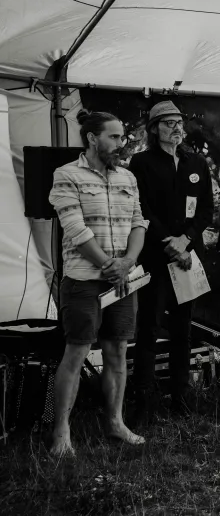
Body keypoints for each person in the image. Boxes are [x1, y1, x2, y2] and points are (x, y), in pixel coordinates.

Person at [48, 110, 148, 456]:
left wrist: (128, 263)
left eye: (123, 137)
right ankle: (61, 431)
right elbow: (76, 230)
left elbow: (139, 223)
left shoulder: (128, 178)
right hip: (84, 282)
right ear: (92, 138)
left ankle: (116, 423)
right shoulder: (66, 175)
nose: (122, 143)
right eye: (115, 137)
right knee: (76, 352)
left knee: (117, 351)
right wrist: (109, 265)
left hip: (122, 281)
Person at [128, 101, 214, 423]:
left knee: (183, 329)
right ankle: (142, 403)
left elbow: (206, 208)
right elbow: (142, 208)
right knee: (148, 328)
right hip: (155, 256)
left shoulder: (197, 163)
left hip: (187, 258)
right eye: (169, 124)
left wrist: (186, 241)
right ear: (154, 129)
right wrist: (169, 241)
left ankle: (181, 398)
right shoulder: (142, 162)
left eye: (179, 123)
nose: (177, 129)